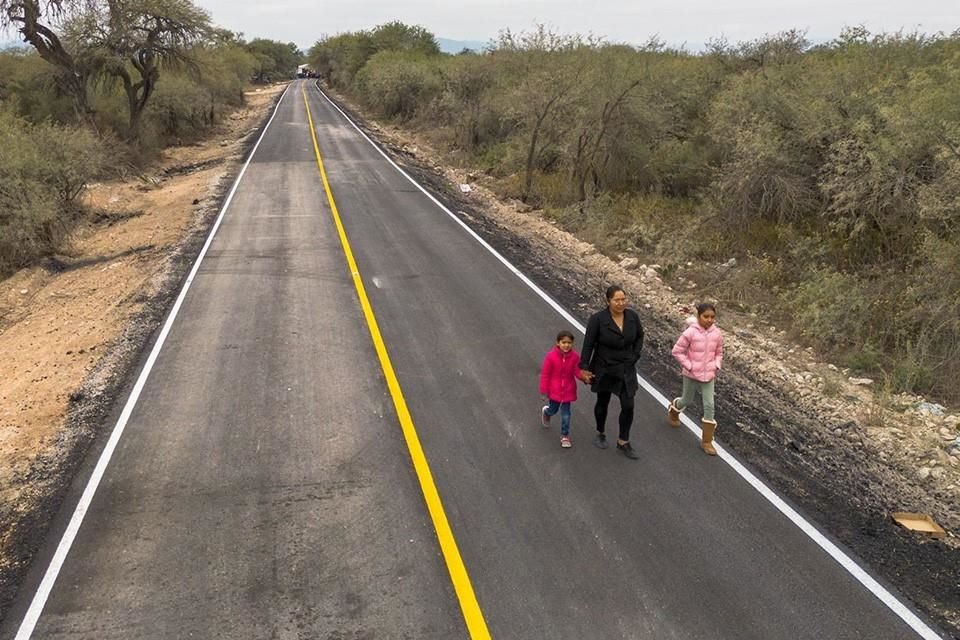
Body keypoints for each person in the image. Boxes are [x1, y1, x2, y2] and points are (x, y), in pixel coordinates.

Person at [579, 285, 644, 460]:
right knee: (603, 401)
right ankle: (600, 432)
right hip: (604, 367)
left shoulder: (632, 317)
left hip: (626, 368)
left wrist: (635, 355)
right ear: (608, 301)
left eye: (624, 299)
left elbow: (639, 337)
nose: (621, 303)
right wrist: (584, 367)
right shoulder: (598, 320)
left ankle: (623, 441)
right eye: (617, 300)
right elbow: (588, 344)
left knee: (628, 405)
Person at [667, 302, 724, 455]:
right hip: (691, 374)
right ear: (699, 316)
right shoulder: (690, 333)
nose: (709, 320)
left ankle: (707, 441)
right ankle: (674, 409)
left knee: (709, 405)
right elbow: (677, 351)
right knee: (687, 400)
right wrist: (689, 365)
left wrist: (716, 365)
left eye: (712, 317)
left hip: (709, 375)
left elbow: (719, 352)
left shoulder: (717, 333)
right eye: (706, 316)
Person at [539, 330, 581, 448]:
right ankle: (547, 412)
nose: (566, 345)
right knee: (553, 410)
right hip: (554, 391)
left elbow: (577, 371)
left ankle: (564, 435)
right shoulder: (551, 357)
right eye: (564, 342)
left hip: (568, 390)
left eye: (569, 342)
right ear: (558, 343)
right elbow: (545, 374)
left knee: (566, 414)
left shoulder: (575, 357)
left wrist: (585, 377)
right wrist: (544, 390)